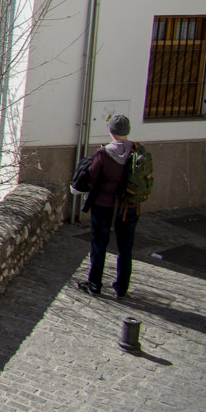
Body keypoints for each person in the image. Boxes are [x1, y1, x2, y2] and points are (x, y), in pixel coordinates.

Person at [78, 115, 143, 299]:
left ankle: (95, 284)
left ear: (111, 132)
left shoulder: (103, 153)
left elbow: (91, 179)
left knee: (99, 244)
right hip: (128, 206)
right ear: (127, 131)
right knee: (126, 247)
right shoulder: (137, 151)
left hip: (103, 205)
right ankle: (122, 287)